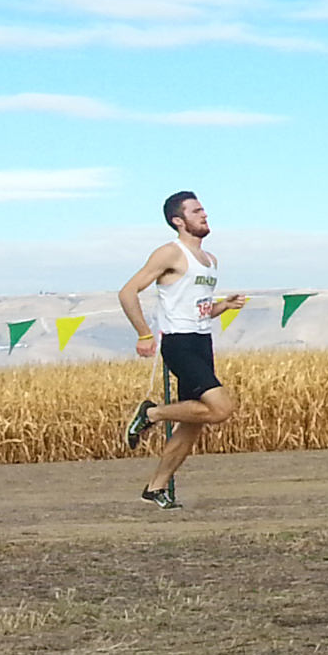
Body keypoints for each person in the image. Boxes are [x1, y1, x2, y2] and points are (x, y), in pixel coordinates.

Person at [117, 191, 237, 508]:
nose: (205, 215)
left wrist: (223, 306)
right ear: (178, 221)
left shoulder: (210, 260)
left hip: (202, 341)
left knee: (193, 424)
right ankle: (151, 413)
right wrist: (144, 334)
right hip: (179, 342)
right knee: (221, 409)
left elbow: (198, 307)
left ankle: (155, 488)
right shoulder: (170, 253)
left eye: (204, 210)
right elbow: (127, 292)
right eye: (196, 211)